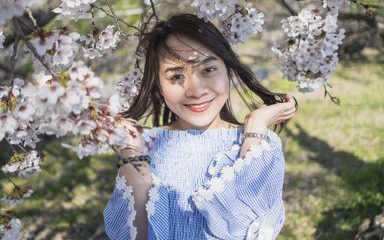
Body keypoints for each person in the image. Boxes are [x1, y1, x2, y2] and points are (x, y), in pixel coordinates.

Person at [103, 13, 298, 240]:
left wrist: (254, 129)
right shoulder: (143, 146)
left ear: (228, 70)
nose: (195, 90)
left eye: (208, 70)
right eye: (176, 76)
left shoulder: (261, 145)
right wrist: (132, 156)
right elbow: (132, 235)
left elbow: (249, 232)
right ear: (159, 86)